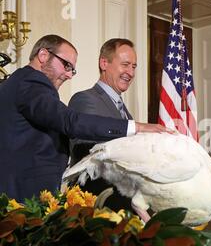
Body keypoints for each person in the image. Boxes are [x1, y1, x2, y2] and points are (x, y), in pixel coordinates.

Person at [0, 34, 169, 202]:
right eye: (66, 65)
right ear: (43, 55)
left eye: (72, 69)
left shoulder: (19, 83)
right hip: (21, 197)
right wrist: (136, 127)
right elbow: (70, 121)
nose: (69, 75)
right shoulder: (30, 82)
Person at [68, 38, 137, 211]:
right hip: (96, 205)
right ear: (104, 63)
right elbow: (89, 152)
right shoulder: (85, 99)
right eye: (125, 64)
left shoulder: (124, 110)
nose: (130, 72)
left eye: (133, 66)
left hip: (122, 205)